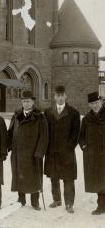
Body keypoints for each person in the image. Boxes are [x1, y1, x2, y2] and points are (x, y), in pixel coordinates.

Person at [8, 90, 48, 210]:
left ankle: (35, 201)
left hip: (33, 153)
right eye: (24, 101)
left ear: (33, 102)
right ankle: (21, 199)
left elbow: (44, 136)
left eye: (28, 101)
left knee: (34, 177)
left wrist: (39, 152)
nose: (26, 103)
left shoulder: (40, 117)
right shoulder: (16, 115)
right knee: (19, 176)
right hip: (18, 153)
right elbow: (10, 132)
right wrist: (8, 147)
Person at [44, 85, 80, 214]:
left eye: (62, 95)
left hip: (66, 152)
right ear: (54, 97)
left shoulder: (73, 112)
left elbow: (75, 134)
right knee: (54, 177)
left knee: (68, 178)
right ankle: (57, 200)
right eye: (57, 96)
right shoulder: (48, 112)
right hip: (52, 151)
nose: (59, 98)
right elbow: (45, 131)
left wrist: (69, 147)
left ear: (65, 96)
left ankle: (69, 203)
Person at [79, 91, 105, 215]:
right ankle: (101, 206)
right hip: (94, 155)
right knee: (98, 181)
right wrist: (84, 146)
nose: (95, 105)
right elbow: (81, 136)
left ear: (101, 101)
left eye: (96, 102)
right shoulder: (86, 119)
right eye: (92, 103)